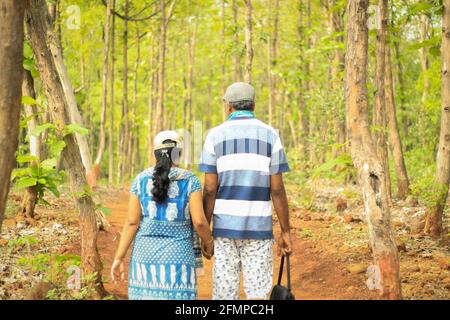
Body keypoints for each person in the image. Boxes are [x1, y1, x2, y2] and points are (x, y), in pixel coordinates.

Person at [199, 82, 292, 300]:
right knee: (258, 295)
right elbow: (277, 190)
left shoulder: (214, 136)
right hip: (258, 229)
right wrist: (286, 231)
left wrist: (206, 232)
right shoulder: (271, 135)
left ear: (229, 107)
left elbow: (210, 189)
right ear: (253, 105)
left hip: (224, 230)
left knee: (224, 296)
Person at [111, 130, 214, 300]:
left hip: (144, 260)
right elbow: (199, 222)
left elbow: (131, 222)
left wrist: (119, 258)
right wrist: (208, 242)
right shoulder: (190, 180)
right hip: (178, 261)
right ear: (179, 154)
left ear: (155, 155)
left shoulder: (140, 180)